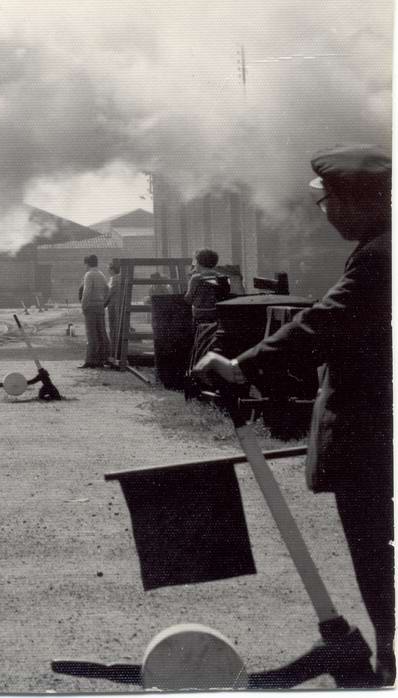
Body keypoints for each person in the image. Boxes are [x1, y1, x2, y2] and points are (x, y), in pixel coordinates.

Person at [193, 144, 392, 684]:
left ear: (356, 200)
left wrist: (241, 366)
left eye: (328, 202)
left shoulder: (381, 255)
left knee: (379, 553)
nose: (325, 214)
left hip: (375, 435)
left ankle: (389, 661)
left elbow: (329, 319)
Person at [79, 254, 110, 368]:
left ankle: (90, 361)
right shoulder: (101, 274)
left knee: (91, 334)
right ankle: (102, 359)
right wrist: (104, 302)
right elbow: (107, 289)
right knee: (101, 333)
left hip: (91, 306)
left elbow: (86, 292)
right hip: (100, 306)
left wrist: (83, 305)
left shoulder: (89, 275)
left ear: (87, 264)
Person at [105, 259, 124, 360]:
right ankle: (118, 352)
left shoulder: (114, 279)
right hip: (119, 306)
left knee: (113, 330)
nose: (108, 270)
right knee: (118, 330)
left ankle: (113, 354)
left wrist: (103, 304)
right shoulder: (121, 278)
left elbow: (110, 293)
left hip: (113, 306)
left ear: (112, 269)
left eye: (109, 268)